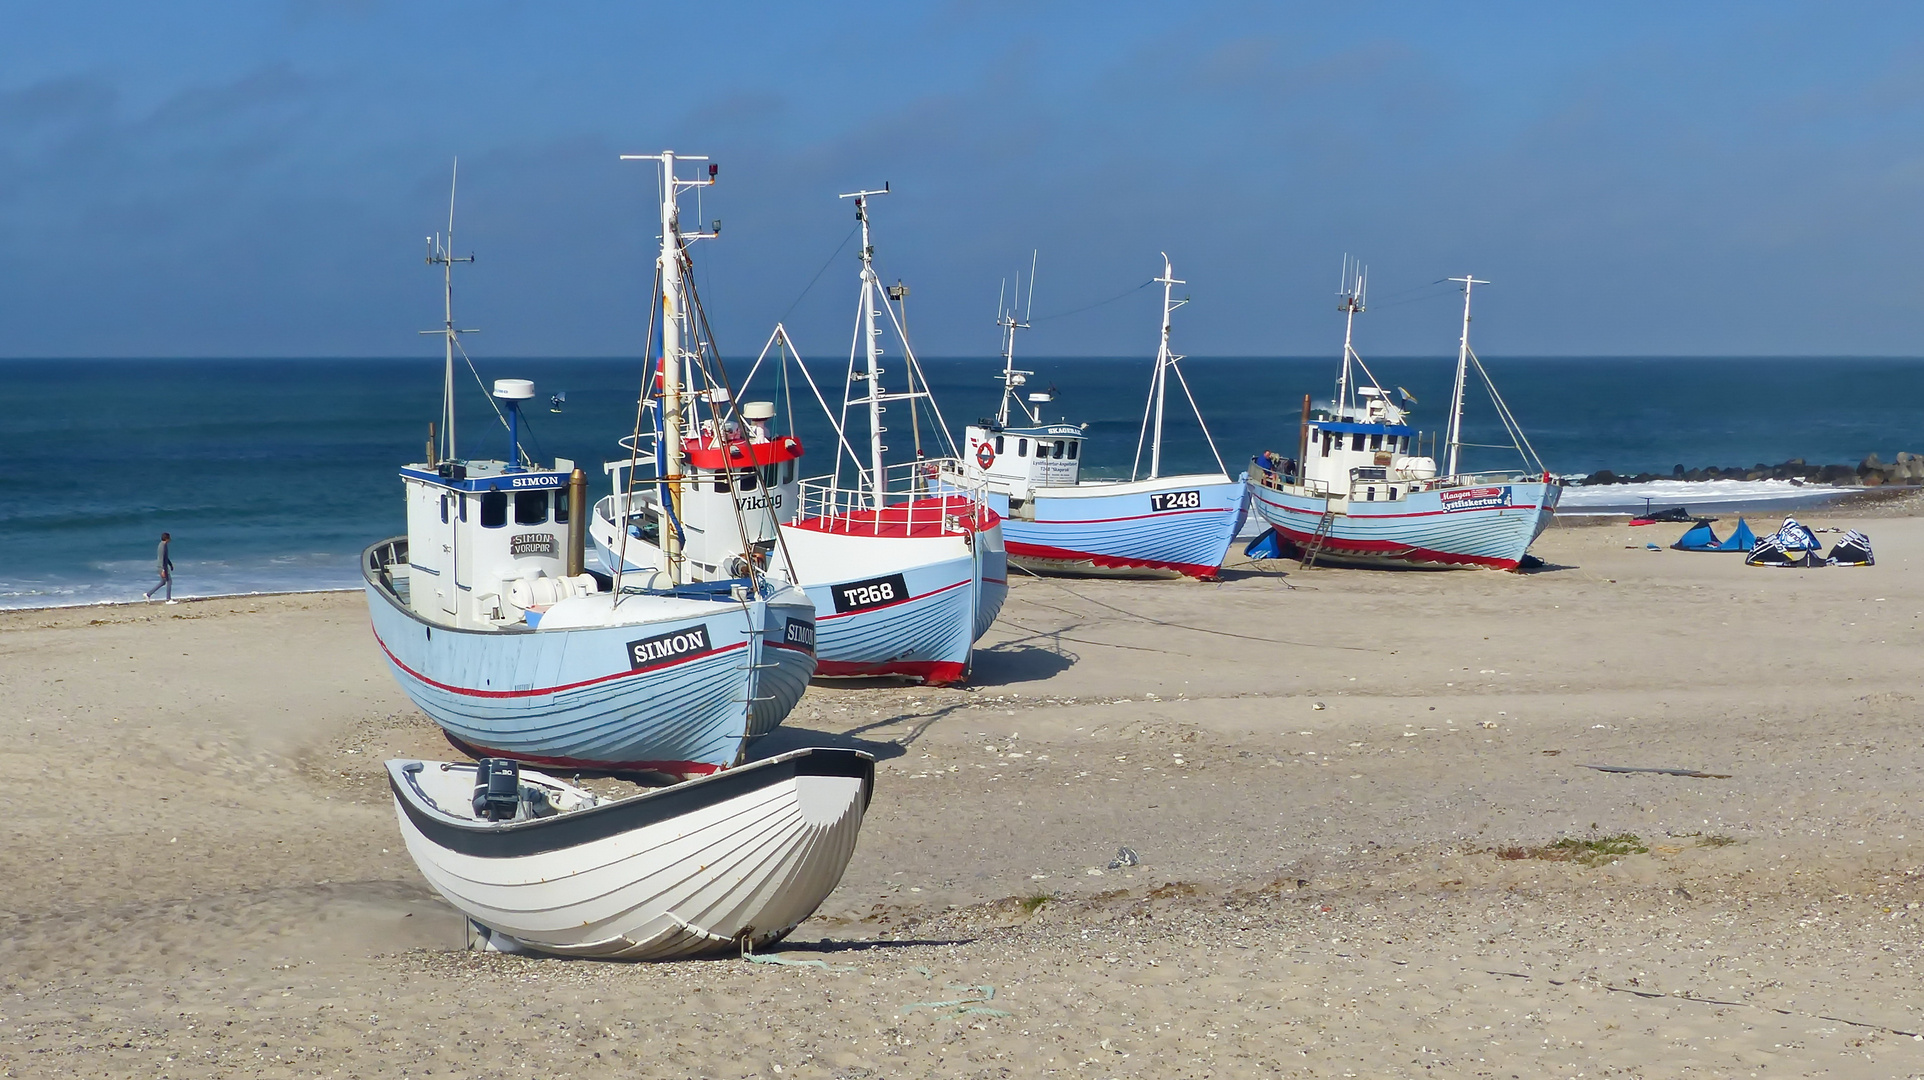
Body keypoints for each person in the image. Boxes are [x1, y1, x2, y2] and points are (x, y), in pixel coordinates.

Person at [144, 532, 176, 603]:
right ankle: (168, 599)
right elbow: (161, 558)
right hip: (162, 567)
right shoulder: (162, 546)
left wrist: (170, 564)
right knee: (169, 581)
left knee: (163, 582)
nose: (170, 539)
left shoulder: (164, 545)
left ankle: (148, 594)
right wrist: (163, 570)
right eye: (169, 538)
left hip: (163, 567)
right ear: (167, 539)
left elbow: (166, 557)